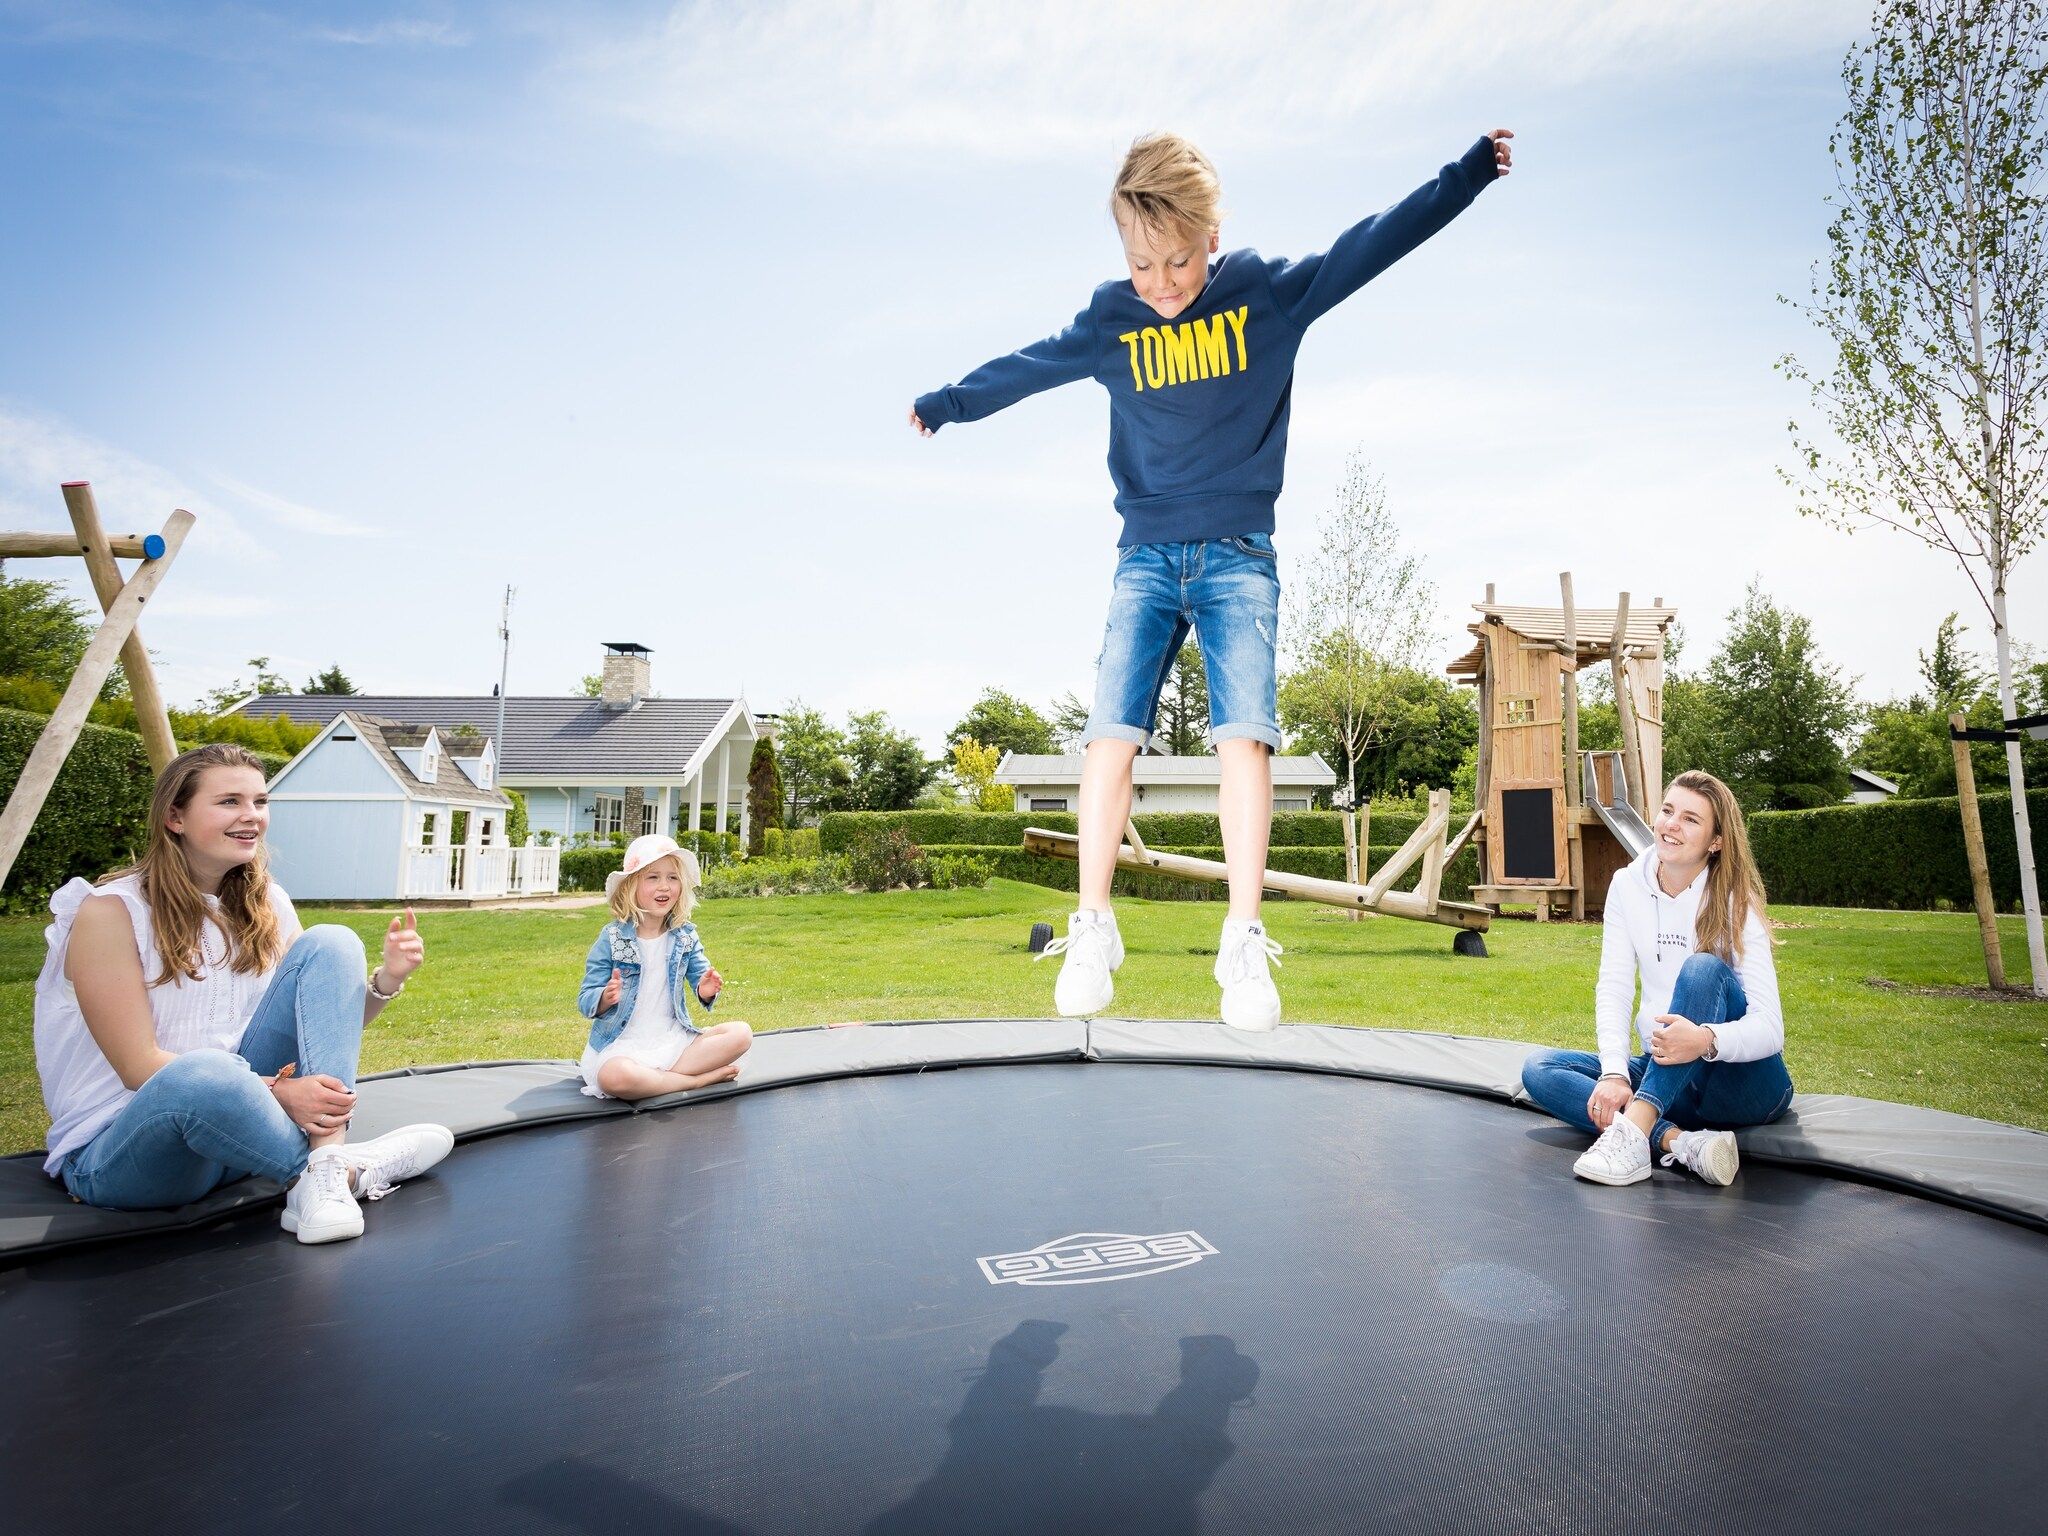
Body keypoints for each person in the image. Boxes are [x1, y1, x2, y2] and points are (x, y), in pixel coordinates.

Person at [911, 127, 1513, 1029]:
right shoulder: (1112, 317)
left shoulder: (1264, 294)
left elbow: (1373, 242)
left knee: (1246, 738)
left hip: (1238, 557)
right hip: (1145, 559)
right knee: (1107, 736)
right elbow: (1029, 368)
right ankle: (1093, 926)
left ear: (1212, 237)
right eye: (1142, 264)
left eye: (1179, 262)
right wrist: (949, 404)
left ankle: (1241, 940)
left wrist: (1463, 176)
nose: (1160, 284)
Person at [33, 743, 454, 1245]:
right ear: (175, 817)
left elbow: (318, 1020)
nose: (251, 816)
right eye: (230, 801)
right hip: (125, 1153)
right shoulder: (109, 912)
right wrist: (277, 1092)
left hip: (236, 1139)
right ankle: (344, 1172)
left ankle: (326, 1163)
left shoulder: (265, 901)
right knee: (202, 1070)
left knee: (334, 941)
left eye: (260, 802)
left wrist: (388, 979)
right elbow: (138, 1065)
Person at [1520, 770, 1796, 1187]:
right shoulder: (1626, 885)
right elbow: (1614, 985)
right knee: (1540, 1068)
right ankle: (1681, 1143)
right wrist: (1613, 1073)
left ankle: (1635, 1133)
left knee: (1702, 967)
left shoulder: (1736, 902)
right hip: (1668, 1077)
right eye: (1668, 810)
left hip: (1743, 1086)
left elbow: (1771, 1030)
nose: (1671, 824)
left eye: (1690, 819)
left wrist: (1705, 1040)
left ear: (1716, 841)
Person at [576, 834, 751, 1100]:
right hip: (622, 1047)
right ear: (630, 887)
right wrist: (604, 997)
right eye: (653, 877)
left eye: (672, 878)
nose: (665, 886)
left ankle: (659, 1080)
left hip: (673, 1041)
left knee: (741, 1034)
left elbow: (701, 978)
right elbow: (586, 997)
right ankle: (696, 1081)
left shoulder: (685, 936)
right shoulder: (611, 938)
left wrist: (706, 989)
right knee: (615, 1077)